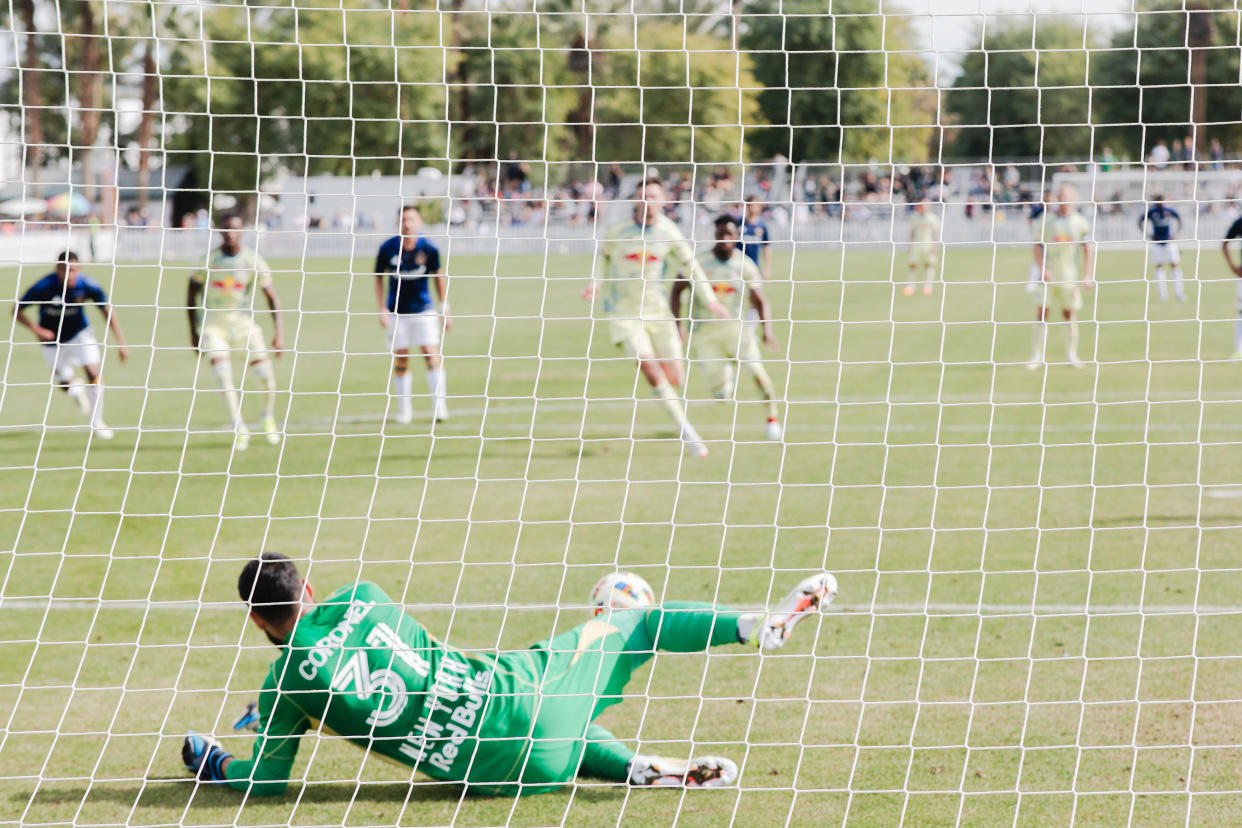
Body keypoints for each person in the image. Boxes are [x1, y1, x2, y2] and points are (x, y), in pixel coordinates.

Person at [181, 553, 838, 795]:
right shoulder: (362, 596)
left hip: (496, 774)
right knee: (636, 623)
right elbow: (344, 636)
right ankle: (758, 626)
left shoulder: (284, 686)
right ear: (310, 587)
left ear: (256, 623)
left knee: (544, 735)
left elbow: (266, 782)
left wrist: (215, 764)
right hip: (513, 690)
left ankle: (637, 767)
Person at [581, 177, 729, 458]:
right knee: (650, 369)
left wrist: (709, 299)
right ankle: (688, 431)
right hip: (624, 314)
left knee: (676, 377)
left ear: (663, 200)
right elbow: (602, 260)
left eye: (653, 195)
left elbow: (692, 266)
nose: (648, 201)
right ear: (636, 200)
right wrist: (595, 283)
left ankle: (696, 394)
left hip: (658, 312)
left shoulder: (669, 232)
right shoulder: (617, 231)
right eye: (643, 195)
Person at [672, 215, 782, 441]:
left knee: (759, 375)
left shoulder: (745, 265)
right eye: (720, 234)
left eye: (729, 234)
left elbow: (760, 300)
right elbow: (676, 289)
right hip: (705, 336)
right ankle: (724, 375)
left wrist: (767, 330)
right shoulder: (699, 263)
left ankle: (772, 421)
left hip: (736, 331)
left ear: (736, 236)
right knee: (721, 395)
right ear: (715, 235)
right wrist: (678, 325)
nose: (724, 239)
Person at [187, 214, 284, 450]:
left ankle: (267, 416)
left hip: (243, 324)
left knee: (265, 376)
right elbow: (191, 294)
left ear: (242, 231)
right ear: (220, 231)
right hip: (214, 325)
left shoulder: (252, 260)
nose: (231, 234)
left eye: (235, 229)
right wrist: (194, 332)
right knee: (223, 375)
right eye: (226, 229)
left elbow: (271, 296)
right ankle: (239, 426)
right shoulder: (208, 260)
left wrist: (278, 332)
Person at [14, 250, 128, 438]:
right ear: (57, 269)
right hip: (52, 340)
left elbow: (107, 312)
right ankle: (75, 391)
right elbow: (16, 309)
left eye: (73, 270)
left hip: (80, 334)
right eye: (63, 270)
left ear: (79, 268)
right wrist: (37, 330)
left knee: (93, 373)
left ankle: (97, 421)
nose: (68, 274)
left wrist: (122, 344)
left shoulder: (88, 285)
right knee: (64, 384)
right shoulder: (44, 286)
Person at [374, 205, 450, 424]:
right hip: (397, 312)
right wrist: (382, 307)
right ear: (398, 222)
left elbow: (438, 276)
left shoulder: (429, 247)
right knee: (401, 357)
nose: (407, 223)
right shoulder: (388, 248)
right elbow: (378, 278)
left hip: (424, 310)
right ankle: (404, 409)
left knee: (430, 352)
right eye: (403, 219)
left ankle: (440, 406)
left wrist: (445, 307)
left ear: (419, 222)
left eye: (411, 219)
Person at [1030, 185, 1094, 369]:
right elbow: (1036, 246)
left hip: (1069, 277)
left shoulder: (1080, 222)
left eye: (1068, 197)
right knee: (1042, 313)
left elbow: (1087, 249)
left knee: (1069, 313)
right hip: (1048, 276)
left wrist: (1087, 275)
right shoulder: (1047, 220)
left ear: (1074, 199)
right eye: (1061, 196)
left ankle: (1071, 353)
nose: (1065, 200)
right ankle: (1036, 355)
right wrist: (1042, 269)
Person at [1140, 195, 1184, 302]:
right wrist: (1148, 234)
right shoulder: (1152, 212)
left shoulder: (1169, 210)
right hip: (1157, 243)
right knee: (1159, 267)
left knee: (1175, 266)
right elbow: (1140, 221)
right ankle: (1162, 295)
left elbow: (1179, 219)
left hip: (1169, 242)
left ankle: (1179, 294)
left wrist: (1176, 233)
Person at [904, 199, 942, 296]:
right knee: (913, 265)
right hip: (917, 244)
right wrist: (910, 244)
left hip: (928, 244)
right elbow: (912, 232)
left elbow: (936, 233)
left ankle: (928, 286)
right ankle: (910, 286)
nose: (925, 207)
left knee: (929, 265)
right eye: (923, 205)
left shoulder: (933, 218)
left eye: (927, 205)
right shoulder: (914, 217)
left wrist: (935, 245)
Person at [1218, 211, 1242, 357]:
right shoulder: (1240, 222)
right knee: (1241, 312)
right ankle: (1239, 350)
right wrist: (1232, 266)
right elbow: (1225, 243)